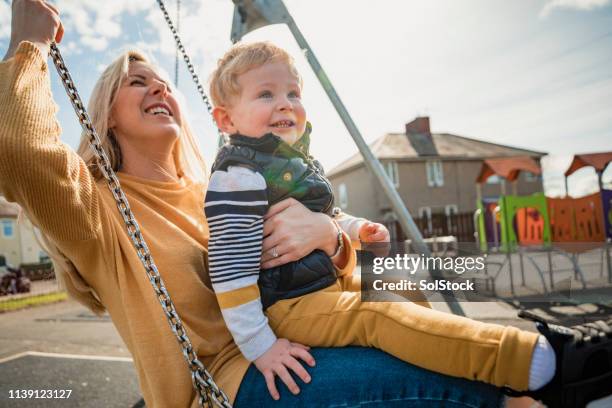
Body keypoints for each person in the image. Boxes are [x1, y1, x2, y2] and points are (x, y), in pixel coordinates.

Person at [1, 2, 609, 408]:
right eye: (137, 83)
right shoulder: (100, 210)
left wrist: (332, 234)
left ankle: (540, 360)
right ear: (105, 112)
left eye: (161, 81)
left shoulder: (214, 186)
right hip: (232, 379)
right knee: (455, 386)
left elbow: (329, 281)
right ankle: (546, 374)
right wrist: (28, 41)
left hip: (302, 328)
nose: (158, 87)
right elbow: (16, 150)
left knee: (406, 295)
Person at [204, 41, 612, 407]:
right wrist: (261, 346)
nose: (285, 103)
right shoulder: (238, 176)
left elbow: (326, 217)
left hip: (319, 283)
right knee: (375, 315)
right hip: (286, 307)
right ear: (226, 121)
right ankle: (541, 363)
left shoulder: (292, 161)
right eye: (265, 94)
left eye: (293, 92)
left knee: (401, 285)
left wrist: (356, 229)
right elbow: (228, 271)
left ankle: (439, 358)